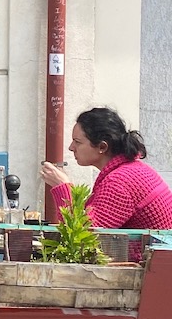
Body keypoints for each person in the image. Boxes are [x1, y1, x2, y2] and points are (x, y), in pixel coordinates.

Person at [40, 107, 172, 252]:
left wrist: (62, 186)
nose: (71, 148)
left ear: (102, 147)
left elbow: (82, 238)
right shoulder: (129, 170)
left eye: (77, 142)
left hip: (154, 270)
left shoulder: (120, 181)